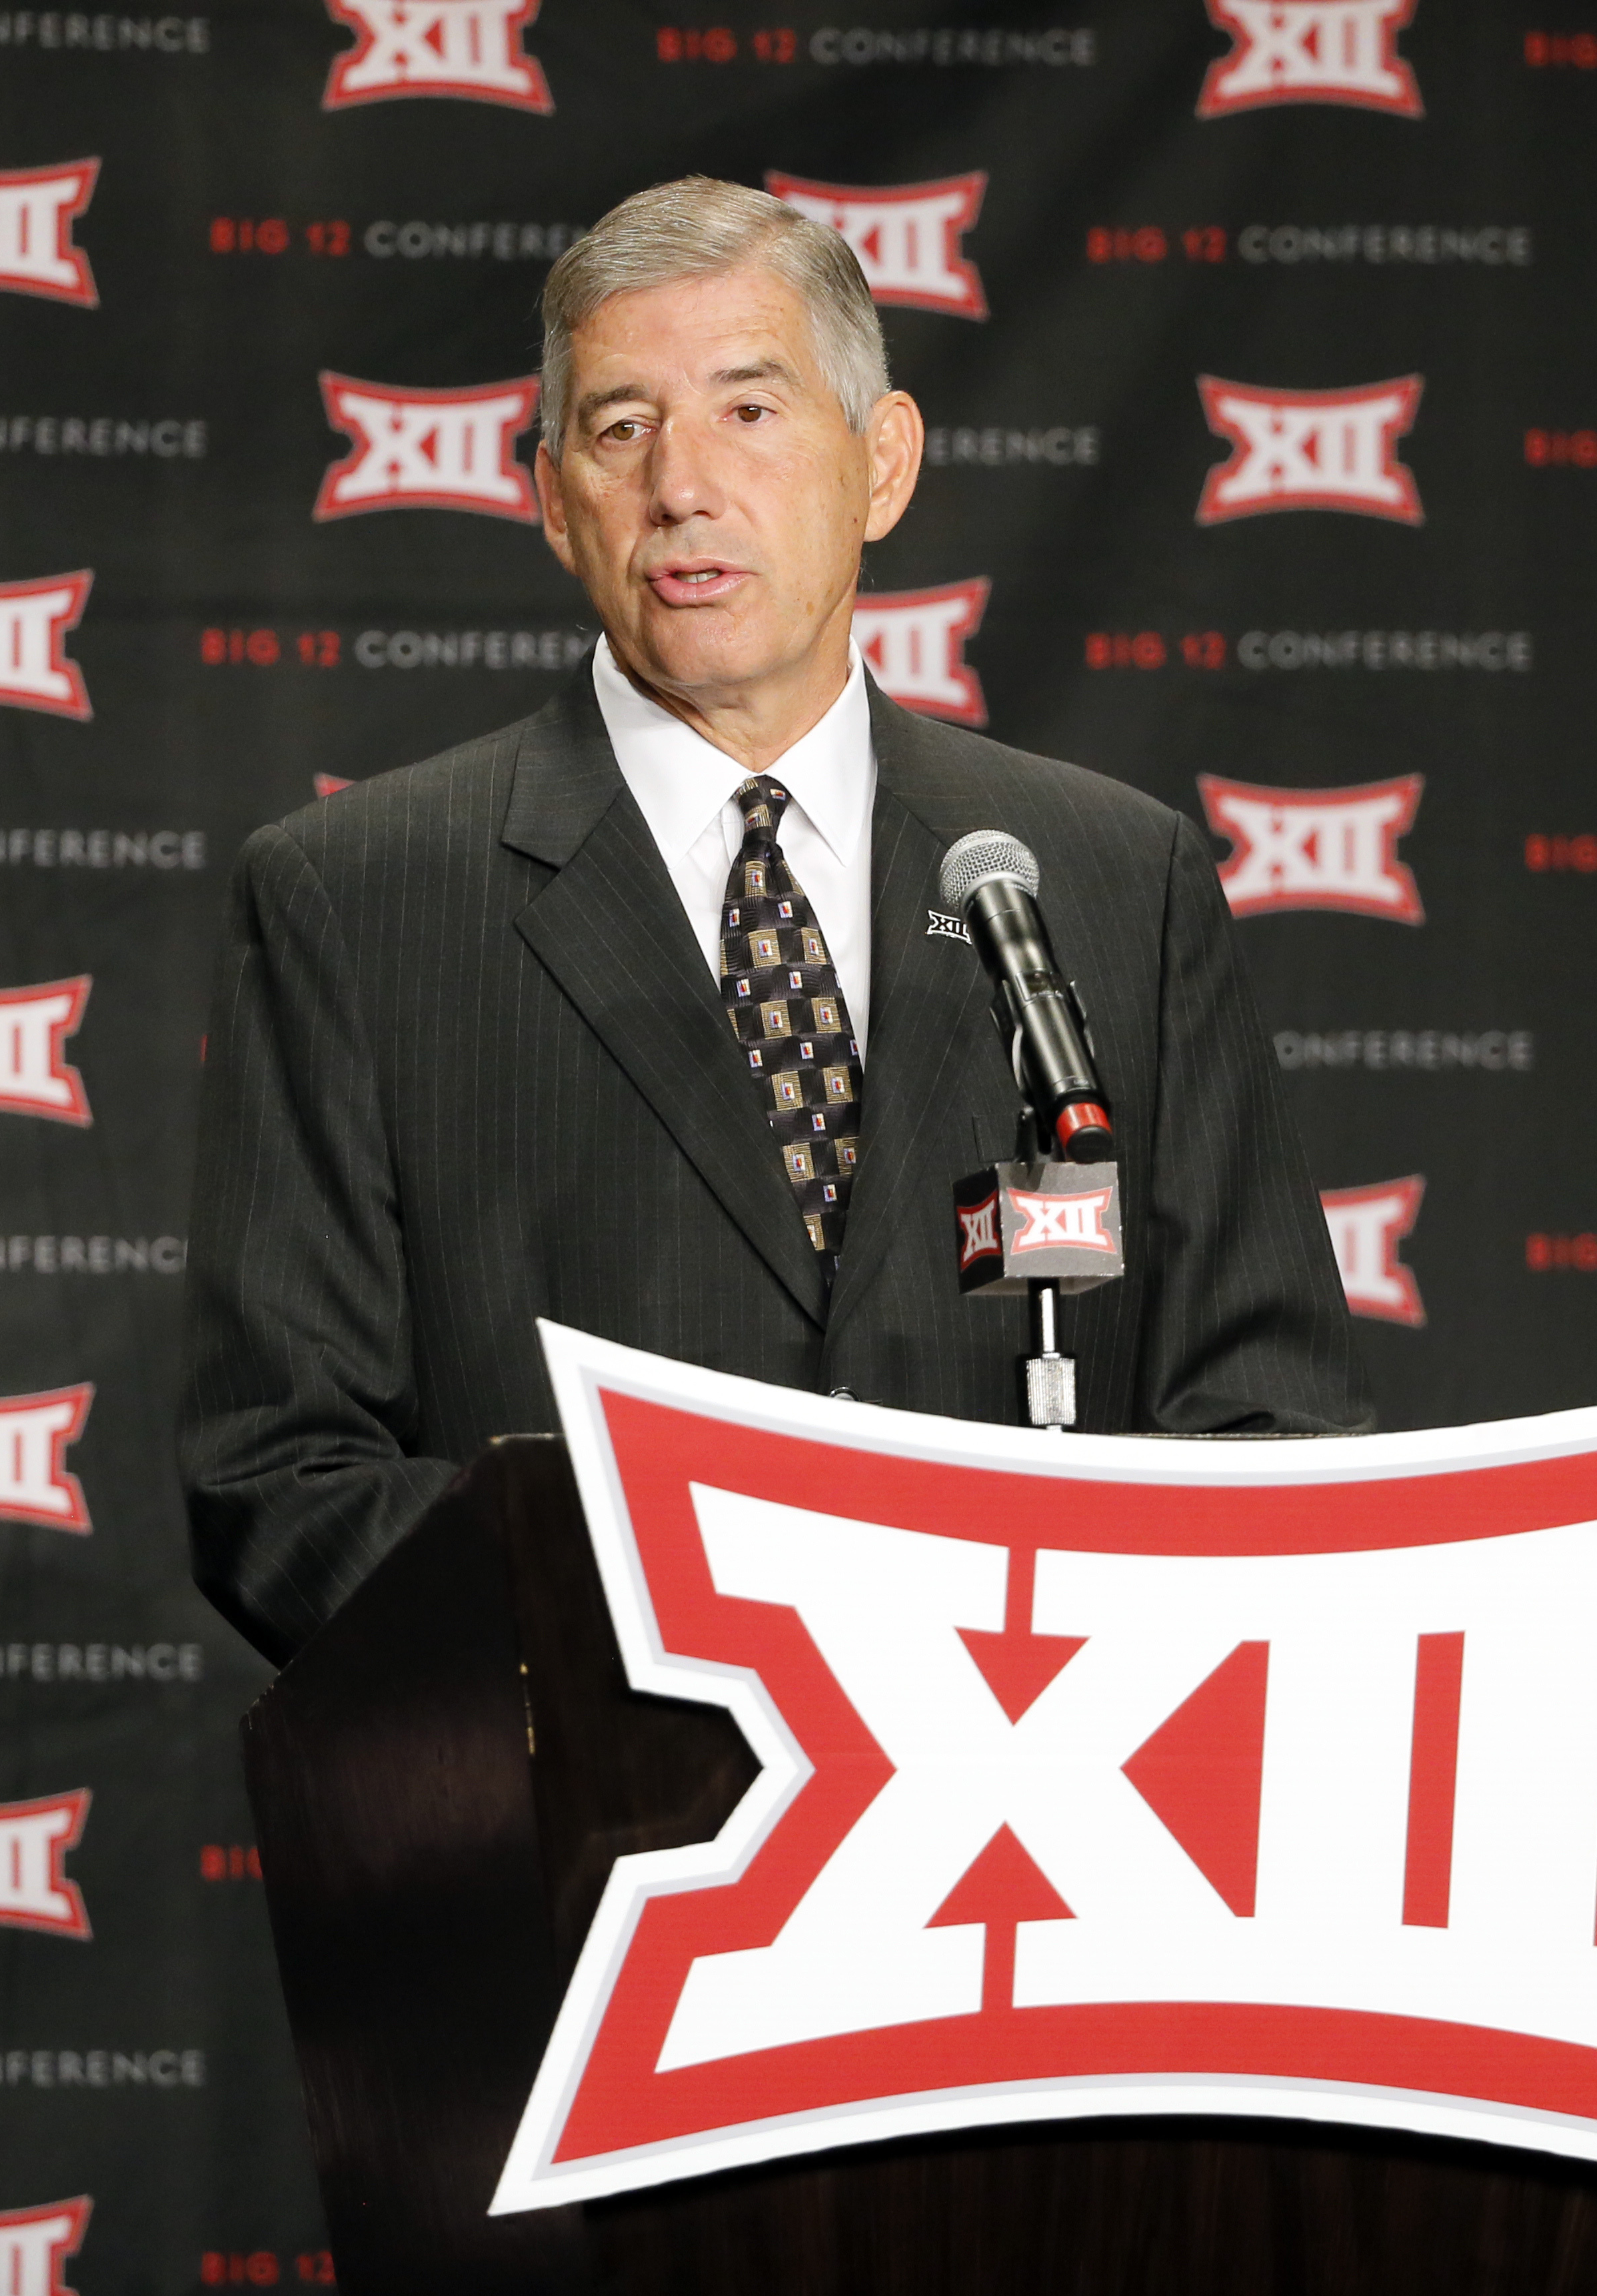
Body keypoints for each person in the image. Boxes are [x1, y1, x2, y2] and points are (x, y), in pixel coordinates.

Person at [181, 177, 1360, 1665]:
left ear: (883, 465)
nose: (682, 485)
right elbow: (280, 1482)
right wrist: (708, 1639)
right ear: (552, 498)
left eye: (749, 410)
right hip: (602, 1779)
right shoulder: (361, 899)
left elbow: (1270, 1428)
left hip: (1037, 1777)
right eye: (622, 428)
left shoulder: (1115, 878)